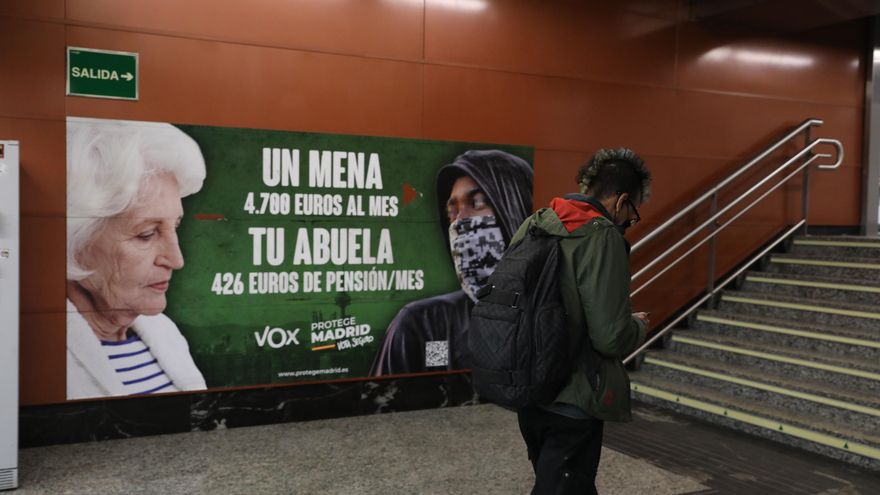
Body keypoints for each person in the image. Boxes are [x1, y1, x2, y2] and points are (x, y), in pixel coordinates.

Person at [514, 148, 651, 495]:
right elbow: (609, 337)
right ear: (621, 201)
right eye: (631, 213)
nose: (628, 221)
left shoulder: (538, 222)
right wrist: (637, 325)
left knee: (562, 483)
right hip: (573, 397)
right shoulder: (603, 236)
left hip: (528, 386)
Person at [66, 118, 208, 399]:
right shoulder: (28, 350)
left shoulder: (165, 332)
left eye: (175, 227)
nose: (176, 260)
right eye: (146, 234)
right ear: (74, 241)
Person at [370, 150, 533, 376]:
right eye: (452, 210)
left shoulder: (552, 314)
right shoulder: (426, 325)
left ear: (514, 208)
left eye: (477, 203)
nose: (460, 221)